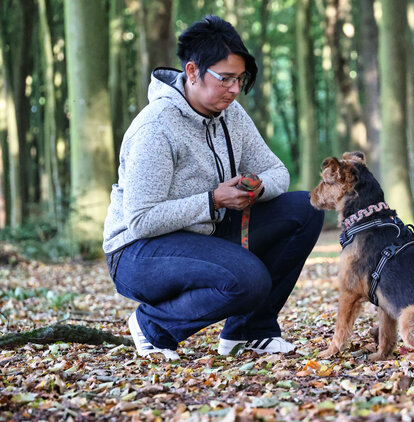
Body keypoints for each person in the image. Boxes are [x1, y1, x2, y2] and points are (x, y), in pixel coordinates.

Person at [103, 15, 324, 360]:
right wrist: (212, 200)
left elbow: (276, 170)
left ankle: (249, 332)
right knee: (248, 280)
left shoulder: (230, 115)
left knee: (305, 209)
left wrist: (257, 188)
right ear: (192, 72)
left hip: (204, 234)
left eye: (240, 79)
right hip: (136, 252)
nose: (235, 89)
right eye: (226, 79)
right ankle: (152, 325)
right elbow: (141, 219)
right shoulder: (156, 128)